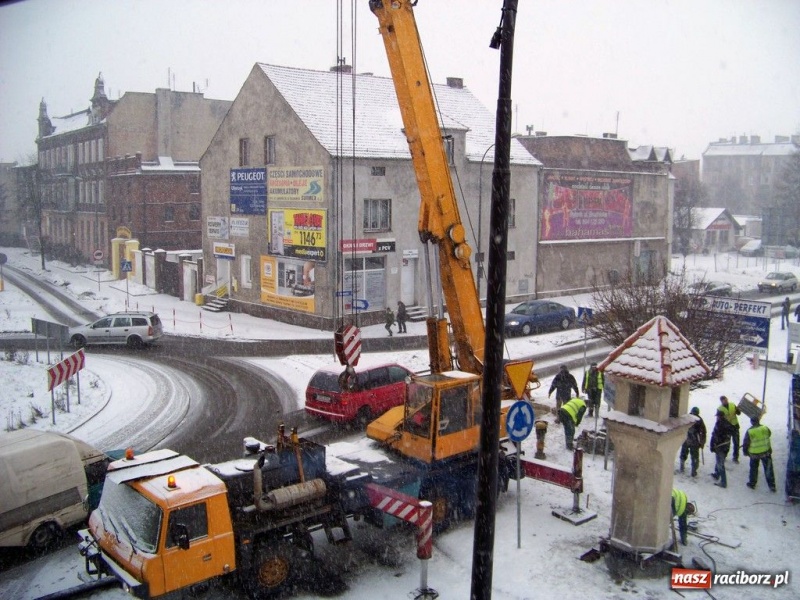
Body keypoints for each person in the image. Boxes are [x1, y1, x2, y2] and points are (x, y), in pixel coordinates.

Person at [743, 416, 776, 492]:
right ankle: (772, 486)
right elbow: (769, 434)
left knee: (753, 469)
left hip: (754, 454)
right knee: (768, 469)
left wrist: (745, 452)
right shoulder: (765, 428)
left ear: (751, 422)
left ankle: (752, 483)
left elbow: (746, 443)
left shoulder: (750, 431)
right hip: (766, 452)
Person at [679, 407, 707, 477]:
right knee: (694, 457)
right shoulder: (699, 420)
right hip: (694, 442)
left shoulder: (687, 418)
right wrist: (702, 442)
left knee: (684, 454)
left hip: (686, 440)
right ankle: (693, 471)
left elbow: (681, 427)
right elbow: (703, 432)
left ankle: (682, 467)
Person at [710, 411, 735, 488]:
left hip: (720, 446)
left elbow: (715, 435)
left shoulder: (720, 424)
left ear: (720, 416)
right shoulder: (727, 424)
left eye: (717, 416)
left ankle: (723, 482)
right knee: (719, 461)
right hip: (725, 447)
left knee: (720, 463)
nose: (717, 417)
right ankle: (717, 474)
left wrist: (713, 445)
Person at [717, 395, 741, 463]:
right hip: (727, 428)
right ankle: (724, 456)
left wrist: (738, 410)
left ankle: (735, 457)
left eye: (726, 399)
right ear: (721, 401)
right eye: (724, 400)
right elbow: (719, 420)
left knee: (736, 443)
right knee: (727, 443)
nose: (726, 401)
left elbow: (738, 413)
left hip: (735, 426)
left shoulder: (732, 405)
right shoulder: (720, 409)